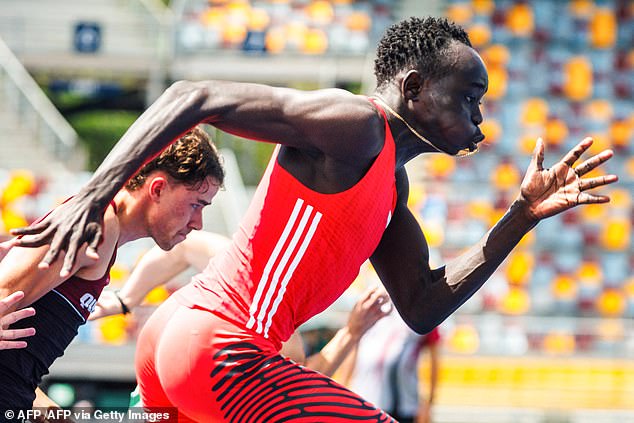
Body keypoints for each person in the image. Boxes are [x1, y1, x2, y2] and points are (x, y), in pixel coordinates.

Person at [12, 16, 617, 422]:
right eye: (469, 98)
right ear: (413, 88)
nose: (480, 120)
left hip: (187, 336)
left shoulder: (389, 184)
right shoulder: (354, 126)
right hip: (224, 348)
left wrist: (521, 214)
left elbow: (423, 304)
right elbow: (189, 96)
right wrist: (95, 195)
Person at [0, 126, 225, 410]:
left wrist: (47, 411)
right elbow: (3, 291)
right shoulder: (97, 226)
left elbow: (15, 367)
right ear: (157, 188)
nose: (198, 222)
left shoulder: (103, 231)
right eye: (196, 204)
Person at [91, 229, 390, 376]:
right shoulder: (241, 264)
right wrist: (126, 298)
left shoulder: (287, 333)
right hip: (156, 394)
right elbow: (181, 248)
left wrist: (352, 332)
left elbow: (300, 382)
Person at [339, 301, 441, 423]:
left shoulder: (423, 310)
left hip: (404, 405)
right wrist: (342, 391)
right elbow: (353, 347)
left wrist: (428, 404)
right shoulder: (372, 302)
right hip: (366, 398)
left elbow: (434, 360)